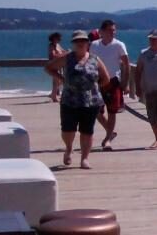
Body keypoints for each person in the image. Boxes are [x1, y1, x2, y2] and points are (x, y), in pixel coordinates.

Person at [45, 30, 109, 169]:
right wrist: (62, 79)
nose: (80, 43)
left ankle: (84, 158)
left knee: (87, 131)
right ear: (73, 44)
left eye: (83, 41)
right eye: (77, 41)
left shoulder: (95, 59)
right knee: (67, 130)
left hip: (90, 101)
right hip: (70, 100)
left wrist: (94, 87)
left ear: (88, 43)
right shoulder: (67, 58)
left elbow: (105, 78)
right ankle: (69, 148)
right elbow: (49, 68)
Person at [90, 19, 130, 150]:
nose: (113, 32)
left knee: (112, 111)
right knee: (95, 110)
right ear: (102, 31)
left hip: (113, 81)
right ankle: (110, 131)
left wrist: (125, 83)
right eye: (110, 30)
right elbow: (89, 62)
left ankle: (108, 139)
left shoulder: (119, 45)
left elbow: (126, 64)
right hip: (97, 81)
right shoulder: (94, 45)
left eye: (114, 30)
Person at [47, 32, 66, 102]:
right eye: (58, 38)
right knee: (56, 81)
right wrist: (61, 55)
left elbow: (63, 51)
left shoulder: (58, 45)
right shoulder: (51, 46)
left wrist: (67, 52)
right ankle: (54, 97)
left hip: (59, 65)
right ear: (54, 38)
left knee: (59, 81)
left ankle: (53, 94)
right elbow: (53, 55)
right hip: (54, 65)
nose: (60, 39)